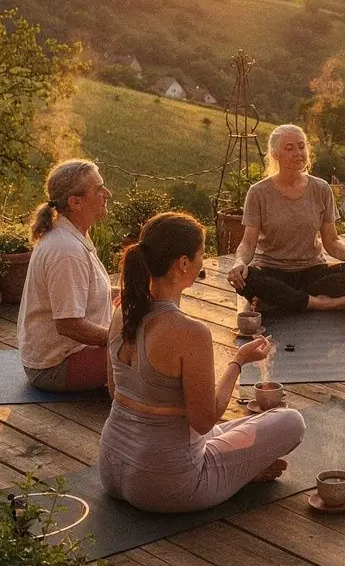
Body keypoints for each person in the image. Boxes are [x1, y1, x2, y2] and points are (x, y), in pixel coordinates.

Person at [99, 213, 305, 513]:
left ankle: (238, 467)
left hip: (111, 466)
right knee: (290, 422)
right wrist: (238, 361)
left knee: (219, 432)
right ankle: (240, 471)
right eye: (201, 254)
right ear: (183, 263)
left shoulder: (122, 313)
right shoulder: (190, 332)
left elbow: (114, 390)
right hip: (168, 484)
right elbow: (204, 419)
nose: (203, 262)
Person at [228, 125, 345, 315]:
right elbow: (248, 243)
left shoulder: (321, 188)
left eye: (301, 146)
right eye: (289, 148)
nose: (298, 153)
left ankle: (283, 300)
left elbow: (332, 240)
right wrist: (239, 262)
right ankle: (323, 303)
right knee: (247, 279)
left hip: (312, 271)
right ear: (275, 155)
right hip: (272, 272)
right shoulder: (258, 192)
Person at [19, 160, 112, 392]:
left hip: (70, 354)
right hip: (54, 367)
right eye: (99, 189)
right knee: (151, 354)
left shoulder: (72, 235)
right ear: (75, 202)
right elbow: (70, 325)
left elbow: (86, 290)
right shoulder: (66, 250)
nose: (107, 193)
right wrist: (121, 339)